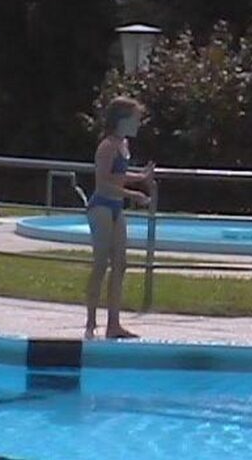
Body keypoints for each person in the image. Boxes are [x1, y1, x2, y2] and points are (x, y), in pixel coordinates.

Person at [84, 96, 155, 340]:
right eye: (135, 119)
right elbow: (103, 183)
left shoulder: (123, 144)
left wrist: (140, 177)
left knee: (120, 265)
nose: (138, 123)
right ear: (121, 120)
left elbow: (117, 176)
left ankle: (113, 324)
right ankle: (91, 322)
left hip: (115, 207)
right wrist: (133, 194)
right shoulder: (107, 146)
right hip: (101, 207)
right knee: (100, 264)